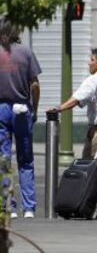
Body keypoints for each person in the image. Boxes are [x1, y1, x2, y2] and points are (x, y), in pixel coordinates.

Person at [0, 17, 41, 219]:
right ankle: (29, 208)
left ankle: (8, 206)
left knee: (3, 159)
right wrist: (35, 108)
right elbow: (34, 84)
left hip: (1, 109)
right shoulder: (25, 52)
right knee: (26, 159)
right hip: (22, 108)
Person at [47, 48, 97, 159]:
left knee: (94, 167)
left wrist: (59, 108)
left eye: (92, 60)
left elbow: (77, 98)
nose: (89, 63)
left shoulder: (94, 79)